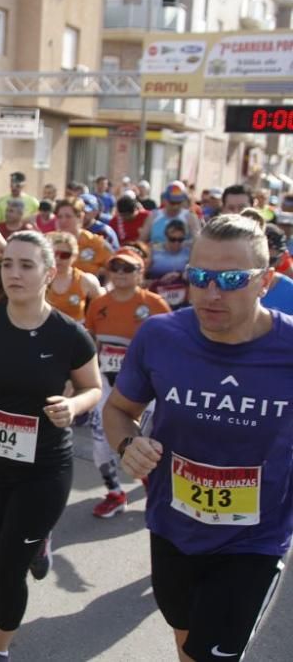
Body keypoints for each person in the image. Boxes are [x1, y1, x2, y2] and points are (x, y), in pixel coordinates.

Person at [104, 214, 293, 662]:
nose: (211, 293)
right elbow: (118, 411)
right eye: (200, 277)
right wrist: (128, 445)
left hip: (255, 540)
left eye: (230, 279)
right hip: (173, 526)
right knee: (186, 637)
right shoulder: (161, 335)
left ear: (265, 281)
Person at [0, 231, 102, 662]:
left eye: (27, 265)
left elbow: (93, 388)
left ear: (49, 274)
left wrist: (72, 406)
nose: (14, 273)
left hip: (45, 466)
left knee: (9, 569)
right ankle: (38, 543)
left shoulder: (69, 334)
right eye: (8, 264)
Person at [85, 248, 170, 519]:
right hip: (108, 385)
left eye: (128, 268)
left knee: (145, 443)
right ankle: (114, 492)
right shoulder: (99, 304)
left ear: (140, 272)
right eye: (115, 267)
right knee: (100, 442)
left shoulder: (155, 304)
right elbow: (93, 343)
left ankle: (154, 490)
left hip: (146, 390)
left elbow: (172, 346)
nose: (120, 273)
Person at [45, 231, 103, 324]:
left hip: (76, 333)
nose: (58, 259)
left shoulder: (86, 280)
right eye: (55, 254)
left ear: (74, 256)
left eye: (65, 255)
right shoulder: (40, 279)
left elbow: (101, 309)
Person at [55, 198, 112, 279]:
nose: (63, 221)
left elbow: (114, 271)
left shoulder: (95, 243)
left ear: (80, 217)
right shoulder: (49, 241)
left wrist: (104, 289)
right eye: (60, 217)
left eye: (68, 216)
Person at [147, 219, 192, 310]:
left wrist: (181, 276)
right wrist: (160, 280)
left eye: (180, 240)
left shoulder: (188, 252)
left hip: (182, 298)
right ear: (166, 237)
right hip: (156, 293)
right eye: (172, 239)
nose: (176, 243)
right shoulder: (154, 251)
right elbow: (141, 279)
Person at [141, 182, 201, 247]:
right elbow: (142, 240)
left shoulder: (190, 217)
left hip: (182, 256)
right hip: (157, 255)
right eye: (172, 202)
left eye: (178, 202)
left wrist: (174, 245)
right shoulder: (154, 216)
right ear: (164, 200)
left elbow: (197, 241)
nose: (175, 206)